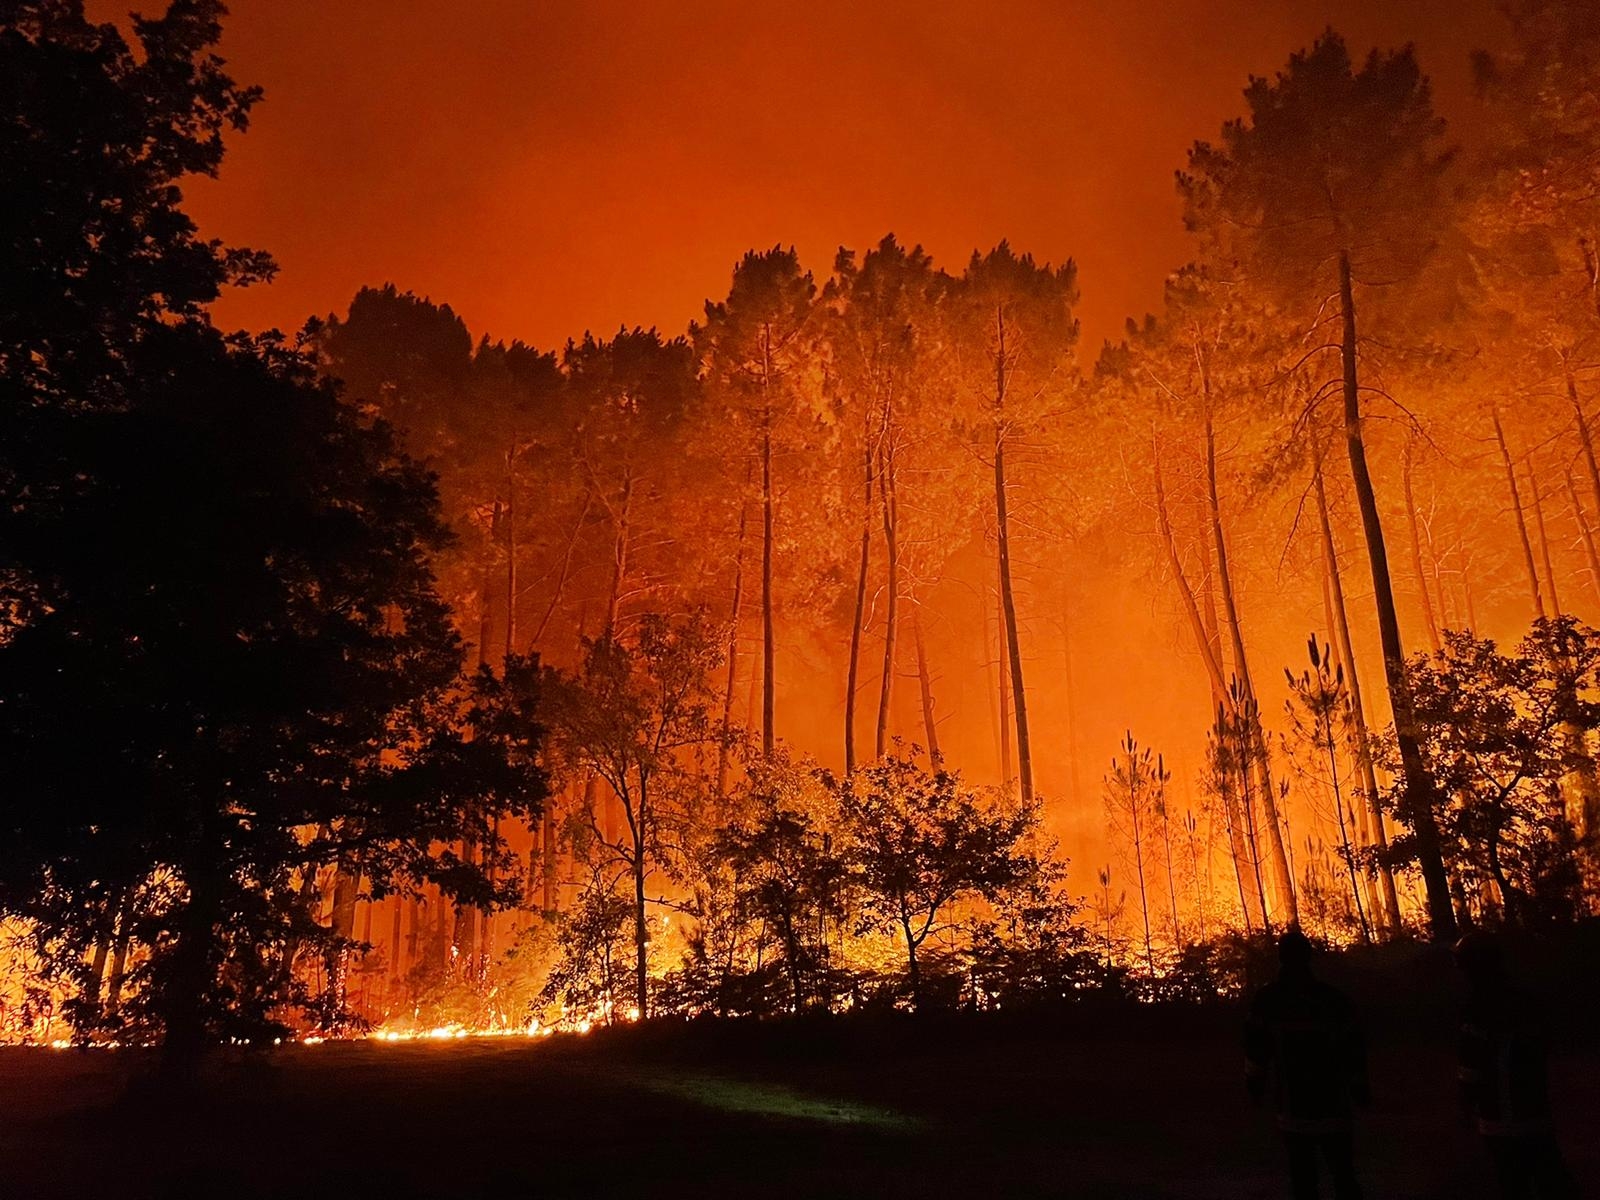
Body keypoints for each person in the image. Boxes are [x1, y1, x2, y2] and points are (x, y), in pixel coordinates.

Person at [1244, 927, 1368, 1200]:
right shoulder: (1333, 999)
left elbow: (1256, 1050)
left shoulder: (1269, 1000)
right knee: (1343, 1175)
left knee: (1303, 1179)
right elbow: (1355, 1049)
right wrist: (1359, 1088)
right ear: (1309, 957)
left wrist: (1255, 1087)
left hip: (1293, 1106)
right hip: (1333, 1102)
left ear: (1280, 957)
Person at [1454, 932, 1576, 1199]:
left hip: (1499, 1119)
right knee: (1551, 1181)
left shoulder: (1476, 1009)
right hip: (1535, 1113)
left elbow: (1470, 1068)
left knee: (1513, 1185)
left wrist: (1466, 1106)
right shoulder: (1527, 1000)